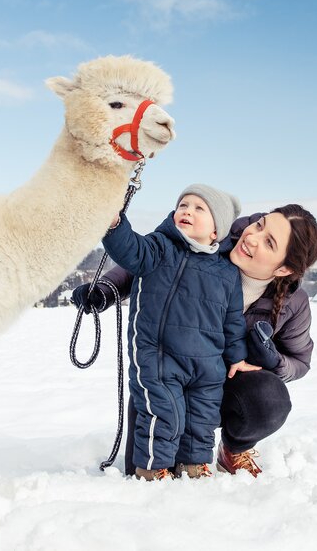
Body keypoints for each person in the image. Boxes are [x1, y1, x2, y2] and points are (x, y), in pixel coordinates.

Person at [76, 203, 317, 478]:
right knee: (144, 471)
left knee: (268, 398)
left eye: (269, 242)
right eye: (260, 225)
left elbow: (300, 361)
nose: (252, 237)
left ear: (283, 269)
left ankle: (233, 449)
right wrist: (106, 290)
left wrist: (271, 359)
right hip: (165, 373)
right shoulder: (211, 238)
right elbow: (152, 255)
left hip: (219, 383)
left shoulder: (293, 303)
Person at [75, 184, 252, 480]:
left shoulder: (226, 272)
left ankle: (193, 465)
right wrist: (115, 223)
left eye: (199, 208)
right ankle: (153, 468)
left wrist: (237, 356)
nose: (187, 211)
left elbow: (232, 320)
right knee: (163, 412)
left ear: (216, 232)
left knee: (201, 417)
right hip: (159, 355)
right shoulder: (159, 248)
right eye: (183, 204)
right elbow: (131, 250)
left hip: (208, 363)